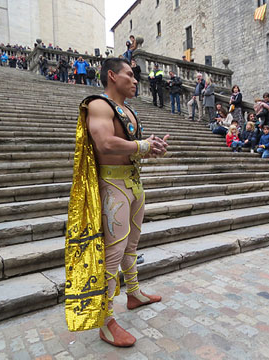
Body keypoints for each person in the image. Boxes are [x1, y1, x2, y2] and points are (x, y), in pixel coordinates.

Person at [65, 58, 169, 347]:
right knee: (113, 253)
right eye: (129, 74)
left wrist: (151, 147)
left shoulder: (128, 110)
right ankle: (106, 320)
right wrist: (143, 145)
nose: (135, 80)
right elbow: (105, 144)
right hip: (112, 185)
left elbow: (131, 148)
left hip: (133, 184)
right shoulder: (98, 105)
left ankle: (133, 293)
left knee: (132, 245)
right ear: (112, 75)